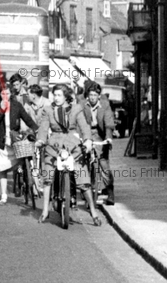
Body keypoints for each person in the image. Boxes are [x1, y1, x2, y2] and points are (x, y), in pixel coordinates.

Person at [35, 84, 102, 226]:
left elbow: (84, 126)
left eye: (59, 95)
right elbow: (43, 128)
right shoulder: (48, 110)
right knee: (47, 177)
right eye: (55, 95)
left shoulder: (76, 109)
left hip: (73, 144)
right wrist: (41, 140)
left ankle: (93, 212)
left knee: (83, 178)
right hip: (54, 145)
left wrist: (88, 140)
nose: (56, 98)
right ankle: (45, 211)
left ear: (66, 96)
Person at [0, 87, 38, 205]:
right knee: (3, 169)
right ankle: (4, 196)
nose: (5, 95)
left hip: (14, 141)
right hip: (1, 143)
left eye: (7, 93)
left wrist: (37, 130)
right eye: (3, 93)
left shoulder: (16, 105)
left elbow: (27, 118)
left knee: (22, 161)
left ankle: (26, 182)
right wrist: (2, 109)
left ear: (11, 93)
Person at [83, 83, 116, 205]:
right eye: (90, 95)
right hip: (86, 133)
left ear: (99, 96)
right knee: (85, 164)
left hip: (100, 134)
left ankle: (110, 192)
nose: (92, 97)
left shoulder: (105, 105)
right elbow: (78, 121)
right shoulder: (82, 105)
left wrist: (108, 138)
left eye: (95, 95)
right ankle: (87, 193)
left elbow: (109, 123)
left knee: (104, 165)